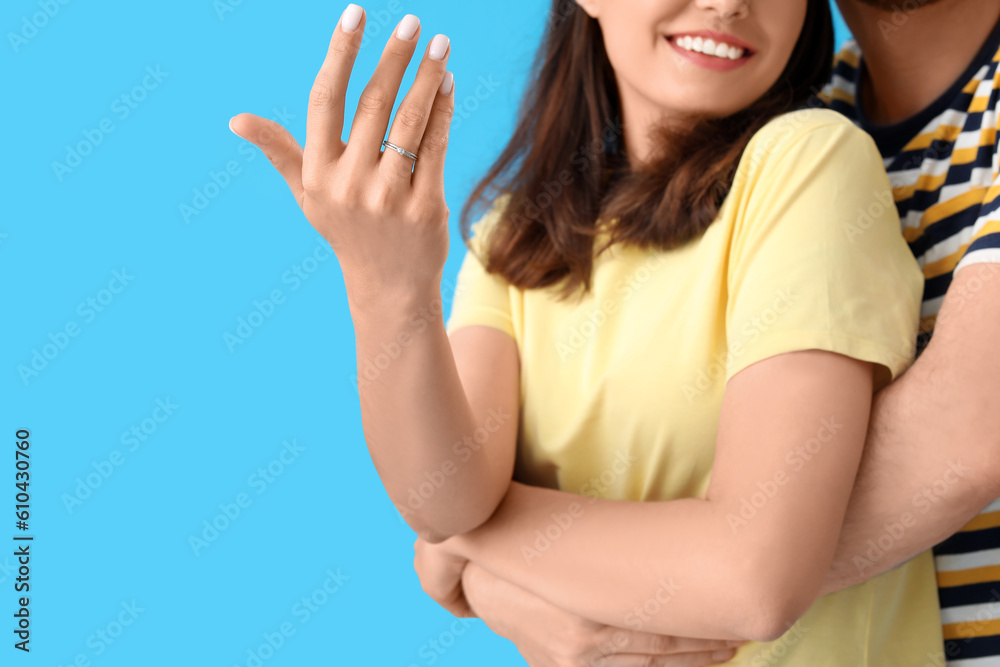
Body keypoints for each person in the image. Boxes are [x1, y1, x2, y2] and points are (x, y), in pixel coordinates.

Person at [227, 0, 947, 665]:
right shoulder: (516, 233)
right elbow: (444, 495)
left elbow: (753, 577)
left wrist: (468, 552)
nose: (729, 3)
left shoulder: (808, 162)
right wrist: (386, 284)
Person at [416, 0, 1000, 665]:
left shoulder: (807, 152)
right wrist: (496, 561)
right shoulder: (781, 126)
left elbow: (963, 433)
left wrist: (487, 544)